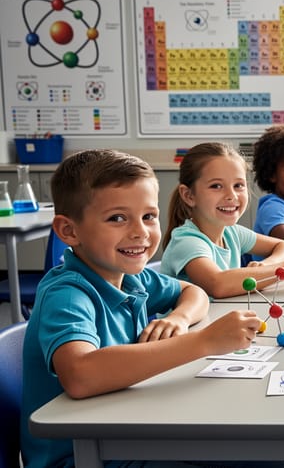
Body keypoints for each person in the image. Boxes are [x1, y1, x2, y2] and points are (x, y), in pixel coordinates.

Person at [20, 149, 264, 468]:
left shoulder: (133, 276)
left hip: (124, 427)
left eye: (148, 216)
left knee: (257, 451)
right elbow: (80, 375)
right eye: (117, 218)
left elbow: (194, 292)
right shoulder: (68, 293)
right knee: (251, 453)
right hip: (84, 454)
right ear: (69, 231)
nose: (140, 232)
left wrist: (179, 318)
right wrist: (204, 341)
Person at [161, 142, 284, 298]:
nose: (231, 196)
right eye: (216, 186)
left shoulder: (231, 232)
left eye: (238, 185)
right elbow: (218, 284)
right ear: (189, 195)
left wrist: (267, 265)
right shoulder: (187, 241)